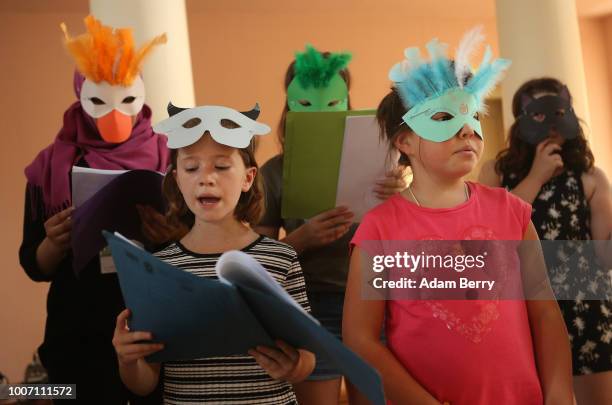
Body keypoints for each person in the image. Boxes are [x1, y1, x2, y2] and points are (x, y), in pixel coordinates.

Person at [343, 28, 574, 404]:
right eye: (444, 117)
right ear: (405, 141)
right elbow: (360, 338)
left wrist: (561, 392)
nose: (467, 129)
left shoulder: (510, 212)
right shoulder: (381, 228)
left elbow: (545, 310)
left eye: (473, 116)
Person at [113, 102, 315, 404]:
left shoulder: (281, 258)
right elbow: (144, 384)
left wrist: (294, 367)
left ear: (247, 178)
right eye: (191, 167)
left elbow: (308, 357)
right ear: (177, 179)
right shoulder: (160, 267)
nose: (206, 178)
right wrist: (127, 359)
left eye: (221, 166)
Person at [19, 16, 169, 404]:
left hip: (156, 329)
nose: (114, 115)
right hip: (78, 334)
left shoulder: (173, 156)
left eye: (126, 99)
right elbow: (34, 264)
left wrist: (167, 233)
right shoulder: (50, 165)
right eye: (100, 100)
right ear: (81, 95)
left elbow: (198, 247)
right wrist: (54, 242)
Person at [254, 44, 406, 404]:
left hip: (373, 300)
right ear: (290, 107)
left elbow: (406, 237)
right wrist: (303, 238)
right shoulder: (273, 173)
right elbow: (257, 258)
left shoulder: (383, 163)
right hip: (309, 303)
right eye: (307, 104)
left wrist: (401, 193)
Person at [479, 77, 612, 405]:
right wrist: (536, 176)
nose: (548, 123)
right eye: (537, 114)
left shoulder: (590, 176)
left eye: (557, 111)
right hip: (524, 305)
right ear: (520, 120)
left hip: (586, 306)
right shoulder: (495, 172)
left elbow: (604, 254)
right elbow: (492, 235)